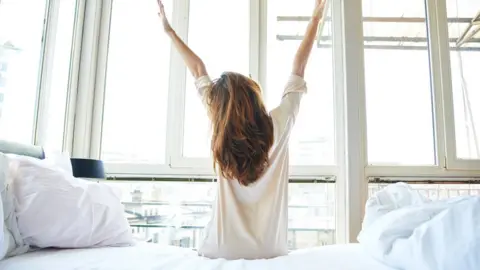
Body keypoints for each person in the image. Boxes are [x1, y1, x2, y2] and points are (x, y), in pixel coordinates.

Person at [157, 0, 326, 260]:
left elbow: (198, 69)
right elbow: (298, 68)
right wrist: (315, 20)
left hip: (221, 249)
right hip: (271, 250)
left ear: (220, 107)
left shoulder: (219, 125)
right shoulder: (279, 124)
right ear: (253, 95)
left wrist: (169, 32)